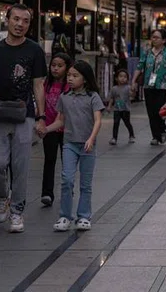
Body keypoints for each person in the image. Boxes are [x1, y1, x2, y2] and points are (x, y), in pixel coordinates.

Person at [0, 3, 47, 234]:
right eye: (16, 19)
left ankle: (17, 211)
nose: (20, 24)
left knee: (20, 167)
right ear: (7, 20)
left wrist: (41, 117)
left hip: (24, 115)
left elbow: (38, 84)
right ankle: (3, 196)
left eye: (25, 21)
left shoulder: (34, 51)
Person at [44, 60, 104, 232]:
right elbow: (60, 121)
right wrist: (45, 129)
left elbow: (98, 120)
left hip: (87, 146)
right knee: (67, 180)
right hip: (69, 143)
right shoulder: (65, 97)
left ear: (85, 79)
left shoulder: (93, 97)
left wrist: (91, 139)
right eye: (69, 75)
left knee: (85, 184)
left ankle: (84, 216)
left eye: (75, 76)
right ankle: (64, 216)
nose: (70, 78)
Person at [132, 29, 166, 146]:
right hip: (148, 85)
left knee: (159, 111)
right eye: (153, 37)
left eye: (157, 37)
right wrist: (133, 81)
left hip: (163, 86)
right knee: (151, 112)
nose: (154, 39)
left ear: (163, 40)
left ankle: (162, 129)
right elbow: (139, 66)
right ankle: (155, 136)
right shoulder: (147, 52)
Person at [41, 52, 72, 207]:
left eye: (60, 66)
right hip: (49, 128)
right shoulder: (46, 83)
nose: (55, 69)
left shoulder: (69, 86)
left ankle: (68, 191)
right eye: (53, 65)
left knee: (67, 162)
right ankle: (47, 193)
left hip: (66, 130)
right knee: (49, 160)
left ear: (67, 68)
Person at [109, 68, 135, 145]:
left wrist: (133, 91)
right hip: (117, 109)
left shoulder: (128, 87)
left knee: (127, 123)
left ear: (127, 79)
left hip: (126, 109)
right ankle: (114, 138)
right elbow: (111, 98)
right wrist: (109, 106)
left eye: (125, 77)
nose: (123, 78)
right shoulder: (114, 88)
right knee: (116, 123)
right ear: (116, 78)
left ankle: (131, 135)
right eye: (120, 76)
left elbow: (132, 96)